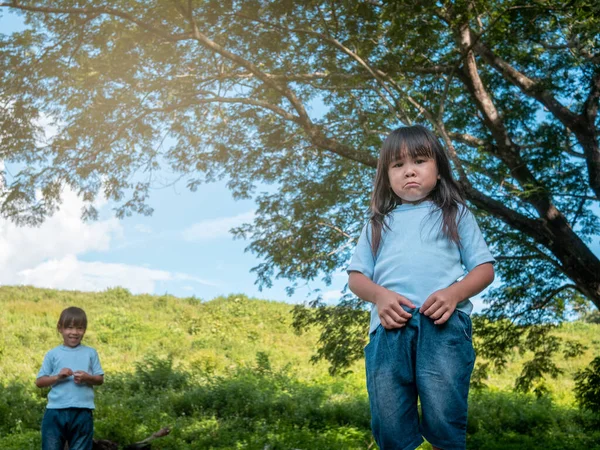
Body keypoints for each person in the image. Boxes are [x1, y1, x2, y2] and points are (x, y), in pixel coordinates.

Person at [347, 125, 495, 450]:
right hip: (389, 329)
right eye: (397, 165)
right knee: (389, 420)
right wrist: (380, 296)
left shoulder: (455, 214)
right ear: (386, 177)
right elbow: (356, 277)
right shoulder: (377, 222)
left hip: (442, 326)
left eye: (419, 161)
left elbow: (484, 269)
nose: (409, 170)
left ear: (438, 170)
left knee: (445, 415)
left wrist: (454, 294)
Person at [36, 306, 104, 450]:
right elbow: (40, 382)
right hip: (55, 412)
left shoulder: (91, 353)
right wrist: (58, 377)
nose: (74, 332)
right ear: (60, 328)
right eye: (69, 328)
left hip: (82, 412)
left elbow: (100, 379)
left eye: (79, 328)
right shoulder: (52, 354)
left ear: (84, 330)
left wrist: (87, 378)